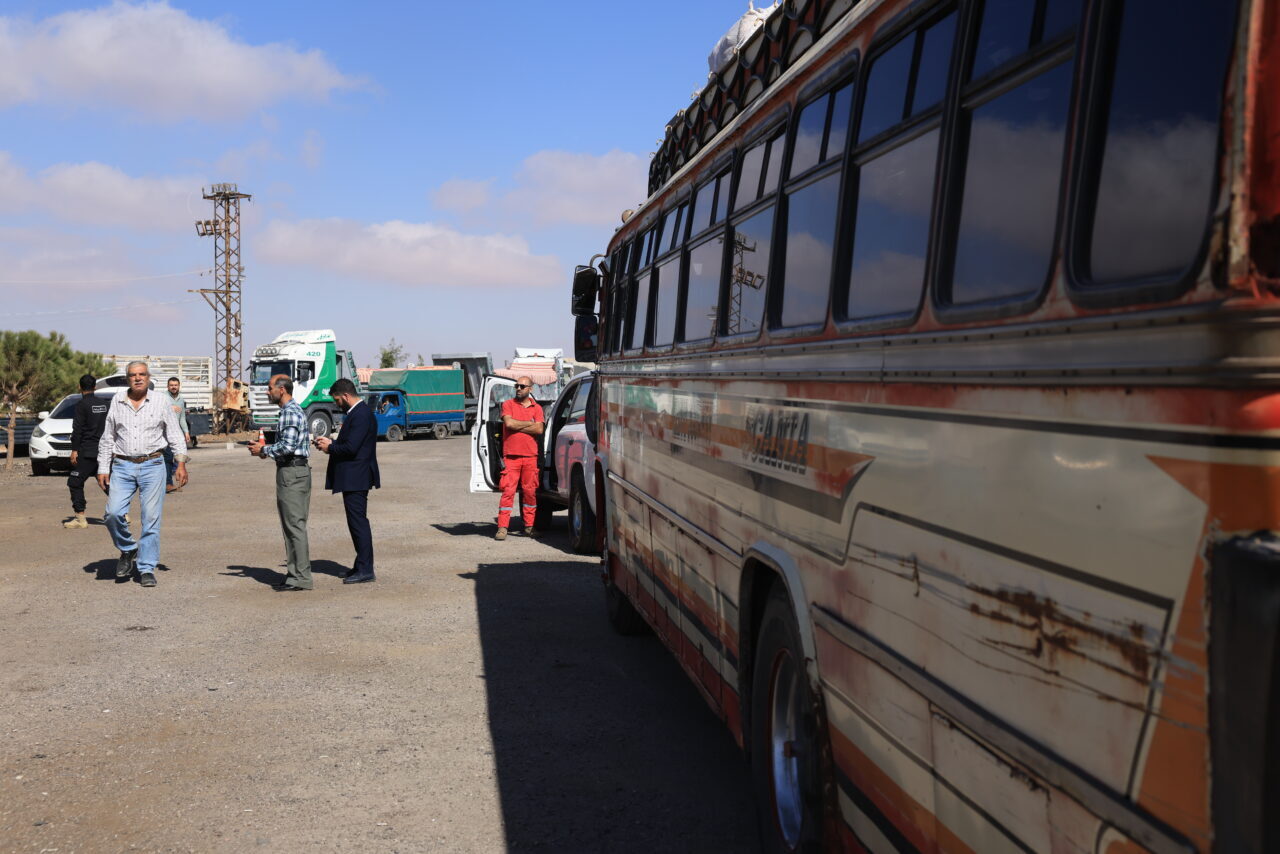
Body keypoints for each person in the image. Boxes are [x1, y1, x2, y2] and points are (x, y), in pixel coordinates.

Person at [97, 361, 188, 588]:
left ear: (148, 377)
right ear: (127, 378)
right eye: (132, 375)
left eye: (142, 374)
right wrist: (102, 467)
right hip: (122, 465)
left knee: (151, 519)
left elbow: (174, 434)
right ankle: (128, 549)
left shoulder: (160, 401)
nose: (137, 378)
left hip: (153, 464)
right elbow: (108, 437)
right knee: (112, 514)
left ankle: (146, 567)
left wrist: (181, 463)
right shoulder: (117, 401)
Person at [249, 374, 313, 592]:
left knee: (294, 526)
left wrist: (263, 450)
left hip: (292, 472)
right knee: (291, 525)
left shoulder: (290, 413)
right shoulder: (289, 411)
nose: (267, 392)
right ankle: (294, 574)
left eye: (269, 388)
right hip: (292, 471)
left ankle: (301, 578)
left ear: (282, 390)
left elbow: (287, 446)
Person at [314, 378, 380, 584]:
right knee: (355, 522)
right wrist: (331, 444)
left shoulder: (361, 414)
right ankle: (360, 565)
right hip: (353, 476)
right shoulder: (357, 413)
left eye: (336, 399)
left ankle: (366, 569)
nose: (336, 404)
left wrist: (330, 447)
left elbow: (351, 448)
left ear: (345, 396)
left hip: (357, 477)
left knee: (358, 523)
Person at [494, 375, 544, 540]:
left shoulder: (537, 408)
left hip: (530, 457)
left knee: (530, 493)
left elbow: (539, 430)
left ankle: (529, 527)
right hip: (511, 457)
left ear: (530, 388)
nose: (518, 389)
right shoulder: (508, 405)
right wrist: (530, 424)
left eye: (522, 386)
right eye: (517, 386)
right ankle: (502, 528)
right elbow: (509, 424)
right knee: (507, 492)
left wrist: (519, 425)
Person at [64, 374, 110, 529]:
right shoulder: (104, 404)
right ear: (95, 387)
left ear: (79, 387)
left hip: (88, 451)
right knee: (104, 481)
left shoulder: (81, 405)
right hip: (104, 451)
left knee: (74, 482)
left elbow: (77, 430)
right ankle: (122, 514)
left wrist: (74, 450)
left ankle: (80, 518)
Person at [162, 376, 191, 494]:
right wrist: (169, 407)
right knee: (168, 457)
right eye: (171, 385)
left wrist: (186, 432)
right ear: (167, 386)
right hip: (165, 432)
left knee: (178, 457)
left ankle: (169, 482)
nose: (173, 387)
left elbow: (182, 417)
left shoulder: (181, 399)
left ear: (179, 386)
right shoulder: (163, 398)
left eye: (176, 385)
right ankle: (167, 484)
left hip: (176, 433)